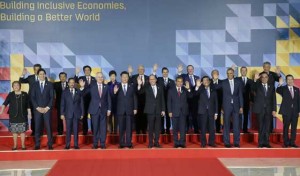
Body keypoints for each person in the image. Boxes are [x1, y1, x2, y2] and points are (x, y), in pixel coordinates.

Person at [80, 72, 112, 149]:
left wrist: (109, 109)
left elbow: (108, 99)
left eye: (101, 77)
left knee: (103, 128)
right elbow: (84, 94)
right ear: (96, 78)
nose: (100, 78)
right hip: (94, 110)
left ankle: (103, 143)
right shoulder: (92, 86)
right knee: (95, 128)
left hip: (104, 110)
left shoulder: (106, 87)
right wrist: (82, 88)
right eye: (99, 77)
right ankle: (95, 143)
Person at [215, 68, 243, 148]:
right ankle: (226, 142)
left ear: (233, 73)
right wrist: (215, 79)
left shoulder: (238, 82)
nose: (229, 74)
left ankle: (236, 142)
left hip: (236, 106)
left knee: (236, 125)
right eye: (228, 73)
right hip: (226, 106)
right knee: (226, 125)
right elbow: (215, 87)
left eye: (230, 73)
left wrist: (241, 106)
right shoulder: (223, 82)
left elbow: (240, 95)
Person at [0, 81, 31, 150]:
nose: (16, 86)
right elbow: (5, 103)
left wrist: (29, 113)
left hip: (23, 115)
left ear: (20, 86)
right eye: (14, 85)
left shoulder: (24, 94)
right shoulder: (10, 94)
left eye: (17, 85)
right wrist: (1, 111)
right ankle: (15, 145)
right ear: (12, 87)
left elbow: (28, 105)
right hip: (13, 116)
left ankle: (23, 145)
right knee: (14, 132)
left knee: (22, 131)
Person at [138, 74, 165, 148]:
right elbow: (140, 92)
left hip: (159, 110)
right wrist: (139, 85)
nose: (152, 80)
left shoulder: (160, 87)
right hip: (150, 111)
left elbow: (162, 99)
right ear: (149, 80)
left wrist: (163, 109)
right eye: (150, 79)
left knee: (157, 128)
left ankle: (156, 142)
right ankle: (150, 143)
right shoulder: (146, 87)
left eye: (153, 79)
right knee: (150, 128)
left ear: (156, 80)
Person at [19, 64, 46, 136]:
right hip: (31, 100)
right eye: (35, 69)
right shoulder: (30, 77)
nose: (36, 70)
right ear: (34, 70)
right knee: (33, 116)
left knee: (41, 116)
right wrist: (23, 74)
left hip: (41, 100)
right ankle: (34, 131)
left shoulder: (44, 78)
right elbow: (21, 81)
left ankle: (40, 131)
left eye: (38, 69)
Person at [30, 68, 54, 150]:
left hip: (47, 110)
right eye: (40, 74)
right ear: (38, 75)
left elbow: (52, 97)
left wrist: (47, 107)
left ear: (45, 75)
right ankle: (37, 144)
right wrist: (37, 107)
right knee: (37, 127)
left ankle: (50, 144)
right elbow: (32, 97)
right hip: (37, 110)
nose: (42, 75)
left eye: (43, 74)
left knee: (48, 127)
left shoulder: (50, 84)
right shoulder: (34, 84)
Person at [252, 72, 277, 148]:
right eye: (262, 77)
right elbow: (252, 88)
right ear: (260, 78)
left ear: (268, 78)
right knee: (261, 126)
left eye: (266, 77)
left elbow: (273, 99)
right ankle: (260, 143)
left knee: (267, 127)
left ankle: (266, 142)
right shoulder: (257, 85)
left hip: (269, 110)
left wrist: (274, 110)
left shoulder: (272, 86)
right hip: (260, 110)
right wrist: (255, 80)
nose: (264, 78)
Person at [113, 71, 137, 149]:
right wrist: (114, 92)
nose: (125, 78)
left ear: (128, 78)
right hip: (120, 110)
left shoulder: (131, 86)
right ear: (121, 77)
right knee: (121, 128)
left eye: (126, 77)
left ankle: (129, 143)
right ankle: (121, 143)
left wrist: (135, 108)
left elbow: (134, 98)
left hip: (129, 110)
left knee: (129, 128)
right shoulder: (117, 86)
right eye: (123, 77)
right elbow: (113, 98)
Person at [168, 76, 192, 148]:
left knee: (182, 128)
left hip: (183, 112)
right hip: (174, 111)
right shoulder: (171, 90)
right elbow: (169, 102)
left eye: (181, 81)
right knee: (174, 128)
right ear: (175, 82)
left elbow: (191, 96)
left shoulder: (185, 89)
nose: (179, 83)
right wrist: (169, 111)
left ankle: (182, 142)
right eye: (178, 81)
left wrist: (188, 89)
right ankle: (176, 142)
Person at [194, 76, 218, 148]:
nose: (206, 81)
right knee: (203, 128)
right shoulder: (200, 90)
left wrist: (216, 113)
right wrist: (197, 87)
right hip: (202, 112)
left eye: (207, 80)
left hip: (211, 112)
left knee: (212, 128)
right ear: (202, 82)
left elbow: (216, 102)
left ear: (209, 81)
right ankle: (203, 143)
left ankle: (211, 142)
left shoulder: (213, 90)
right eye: (204, 80)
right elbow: (195, 95)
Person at [276, 75, 299, 148]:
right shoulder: (283, 88)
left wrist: (299, 111)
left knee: (294, 128)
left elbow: (298, 101)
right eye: (288, 79)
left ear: (293, 80)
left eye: (291, 79)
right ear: (286, 81)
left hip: (295, 112)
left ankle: (292, 142)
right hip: (286, 112)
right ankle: (286, 142)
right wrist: (279, 84)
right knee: (286, 127)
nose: (290, 81)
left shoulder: (297, 89)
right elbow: (277, 90)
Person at [60, 78, 84, 150]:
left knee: (76, 130)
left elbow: (81, 103)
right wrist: (62, 113)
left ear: (75, 84)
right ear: (68, 83)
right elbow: (62, 104)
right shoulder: (65, 92)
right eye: (70, 82)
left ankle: (76, 144)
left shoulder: (78, 91)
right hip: (68, 114)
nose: (72, 84)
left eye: (73, 82)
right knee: (68, 130)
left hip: (76, 114)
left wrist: (82, 113)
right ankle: (67, 144)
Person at [260, 61, 282, 133]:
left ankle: (270, 129)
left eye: (268, 67)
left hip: (271, 96)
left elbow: (279, 79)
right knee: (262, 115)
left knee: (270, 114)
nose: (266, 68)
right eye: (265, 66)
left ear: (270, 67)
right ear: (263, 67)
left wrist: (278, 74)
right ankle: (262, 129)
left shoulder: (273, 74)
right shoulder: (260, 75)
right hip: (262, 98)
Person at [75, 65, 96, 135]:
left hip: (93, 100)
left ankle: (94, 130)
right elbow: (75, 82)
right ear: (84, 71)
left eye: (88, 70)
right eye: (85, 70)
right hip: (84, 100)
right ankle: (85, 131)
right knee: (84, 116)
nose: (87, 71)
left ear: (90, 71)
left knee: (93, 116)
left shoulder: (94, 79)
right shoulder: (81, 78)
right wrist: (77, 74)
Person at [130, 65, 149, 134]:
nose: (141, 70)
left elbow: (155, 80)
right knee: (137, 116)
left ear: (144, 70)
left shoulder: (148, 78)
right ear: (137, 70)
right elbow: (129, 83)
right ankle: (137, 130)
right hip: (136, 100)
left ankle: (144, 130)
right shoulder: (134, 77)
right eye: (139, 69)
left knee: (145, 115)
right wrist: (138, 85)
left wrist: (154, 71)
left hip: (146, 100)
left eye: (142, 69)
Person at [157, 67, 175, 134]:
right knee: (161, 116)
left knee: (168, 116)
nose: (165, 73)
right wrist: (154, 71)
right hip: (160, 101)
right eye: (164, 72)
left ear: (168, 73)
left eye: (166, 72)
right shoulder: (159, 80)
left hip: (169, 102)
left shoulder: (172, 81)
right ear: (162, 73)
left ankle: (167, 129)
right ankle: (161, 129)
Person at [183, 65, 200, 134]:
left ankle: (196, 129)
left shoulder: (197, 78)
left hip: (195, 100)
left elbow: (198, 89)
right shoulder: (184, 77)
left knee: (195, 115)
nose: (190, 70)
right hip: (186, 100)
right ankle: (186, 129)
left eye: (191, 69)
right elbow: (183, 88)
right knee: (186, 115)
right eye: (189, 69)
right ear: (187, 70)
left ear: (193, 70)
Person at [237, 66, 253, 133]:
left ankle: (245, 129)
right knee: (237, 116)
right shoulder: (237, 79)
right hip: (237, 101)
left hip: (246, 101)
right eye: (242, 70)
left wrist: (252, 100)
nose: (243, 71)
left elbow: (252, 91)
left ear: (246, 71)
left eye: (245, 70)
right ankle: (237, 129)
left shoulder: (250, 81)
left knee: (246, 115)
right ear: (240, 71)